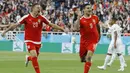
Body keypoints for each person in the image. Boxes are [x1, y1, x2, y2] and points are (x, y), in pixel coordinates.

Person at [1, 3, 67, 73]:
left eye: (39, 8)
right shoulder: (26, 17)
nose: (39, 9)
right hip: (29, 40)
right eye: (37, 7)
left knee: (34, 57)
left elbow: (51, 25)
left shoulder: (42, 18)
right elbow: (15, 25)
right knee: (34, 56)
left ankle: (28, 58)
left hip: (38, 41)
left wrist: (61, 29)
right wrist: (5, 31)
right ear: (32, 9)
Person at [74, 4, 100, 73]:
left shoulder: (95, 17)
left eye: (90, 8)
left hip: (93, 41)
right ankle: (89, 64)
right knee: (83, 59)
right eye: (87, 8)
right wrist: (78, 18)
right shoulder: (81, 19)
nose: (89, 9)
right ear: (84, 10)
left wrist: (99, 35)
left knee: (88, 57)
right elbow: (76, 28)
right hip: (84, 42)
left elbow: (98, 26)